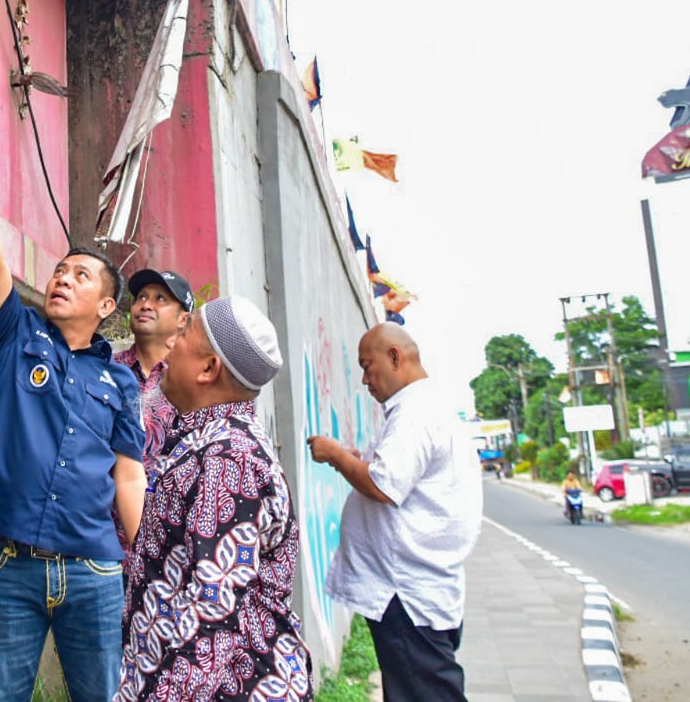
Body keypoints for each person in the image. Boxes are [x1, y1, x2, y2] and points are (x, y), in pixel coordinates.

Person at [0, 103, 147, 702]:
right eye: (60, 270)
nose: (63, 278)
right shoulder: (16, 337)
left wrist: (146, 558)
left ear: (106, 308)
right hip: (6, 567)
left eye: (81, 275)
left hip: (94, 572)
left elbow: (129, 475)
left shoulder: (121, 382)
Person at [116, 295, 313, 702]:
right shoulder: (207, 443)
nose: (170, 343)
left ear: (209, 368)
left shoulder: (229, 460)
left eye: (184, 333)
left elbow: (211, 618)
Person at [306, 323, 481, 702]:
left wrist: (336, 456)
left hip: (406, 592)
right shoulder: (423, 407)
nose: (365, 379)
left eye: (368, 366)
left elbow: (385, 486)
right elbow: (395, 476)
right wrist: (360, 463)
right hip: (414, 590)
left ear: (395, 357)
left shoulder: (414, 413)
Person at [114, 268, 195, 488]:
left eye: (160, 298)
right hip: (105, 516)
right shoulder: (107, 370)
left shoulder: (193, 380)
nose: (146, 305)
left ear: (183, 319)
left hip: (171, 516)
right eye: (141, 297)